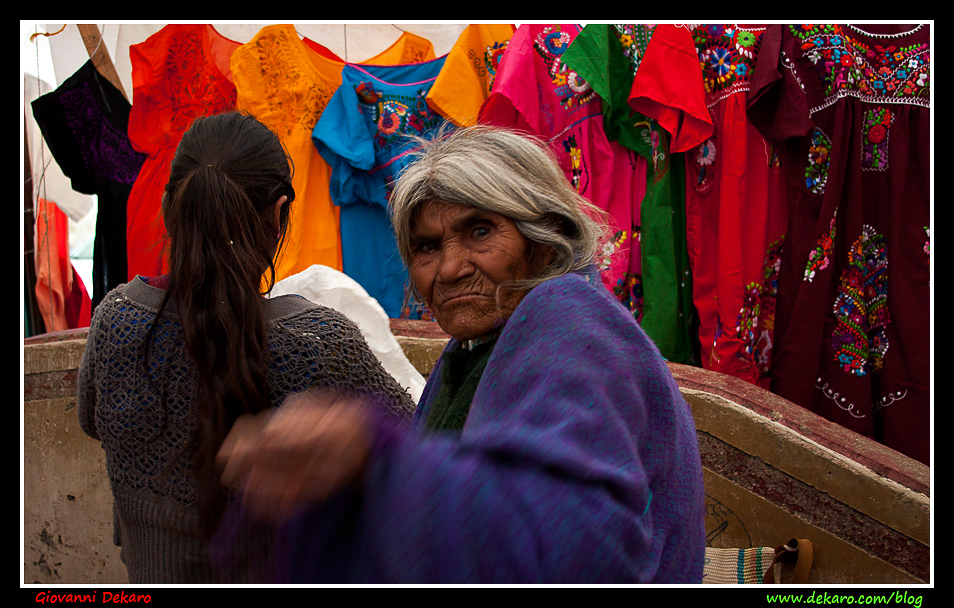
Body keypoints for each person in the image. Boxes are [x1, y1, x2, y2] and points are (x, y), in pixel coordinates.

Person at [216, 125, 707, 583]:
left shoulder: (570, 317)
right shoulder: (470, 352)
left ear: (545, 238)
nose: (448, 269)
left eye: (479, 232)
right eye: (427, 246)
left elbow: (582, 542)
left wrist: (375, 459)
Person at [76, 111, 417, 584]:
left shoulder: (115, 319)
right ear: (278, 215)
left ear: (169, 206)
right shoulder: (318, 341)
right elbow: (413, 446)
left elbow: (91, 421)